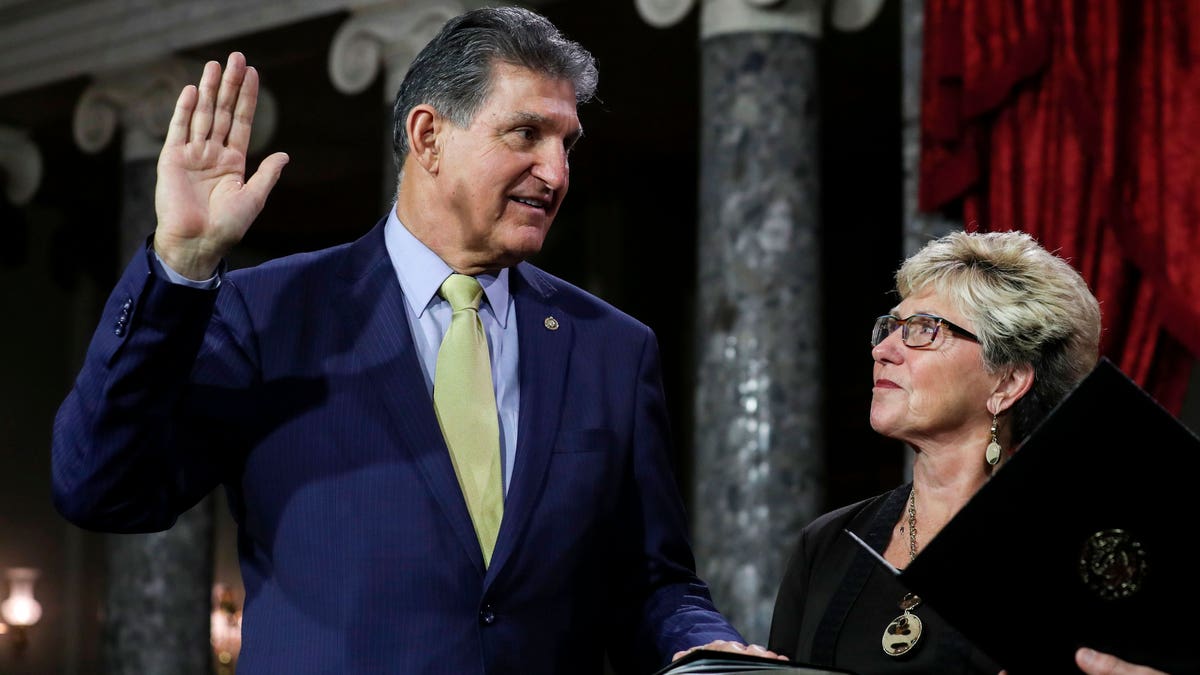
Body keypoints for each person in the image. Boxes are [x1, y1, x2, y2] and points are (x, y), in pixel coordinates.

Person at [51, 7, 778, 674]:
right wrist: (179, 267)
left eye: (567, 143)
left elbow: (652, 577)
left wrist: (698, 643)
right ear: (428, 135)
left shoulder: (612, 347)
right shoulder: (270, 312)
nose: (556, 173)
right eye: (526, 134)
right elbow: (101, 488)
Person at [767, 230, 1114, 672]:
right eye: (890, 327)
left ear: (1006, 383)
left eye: (923, 330)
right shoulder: (828, 544)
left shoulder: (1074, 553)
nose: (883, 350)